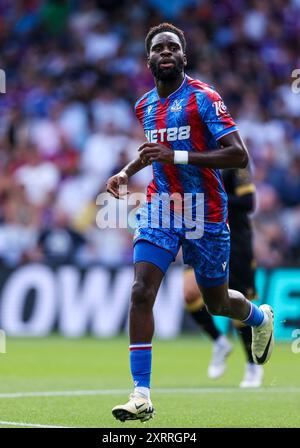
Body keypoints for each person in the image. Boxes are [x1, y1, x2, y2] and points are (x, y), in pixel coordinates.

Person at [106, 23, 274, 423]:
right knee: (141, 291)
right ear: (149, 60)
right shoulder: (145, 105)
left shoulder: (203, 99)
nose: (166, 52)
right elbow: (154, 151)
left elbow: (238, 156)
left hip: (207, 213)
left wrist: (176, 158)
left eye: (173, 47)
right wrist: (127, 172)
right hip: (162, 207)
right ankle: (141, 394)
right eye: (159, 48)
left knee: (217, 302)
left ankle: (258, 317)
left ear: (184, 57)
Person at [184, 166, 264, 387]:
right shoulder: (194, 157)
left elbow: (248, 202)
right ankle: (219, 342)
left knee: (237, 305)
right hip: (201, 238)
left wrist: (213, 196)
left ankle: (252, 364)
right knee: (189, 293)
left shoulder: (234, 162)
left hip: (234, 242)